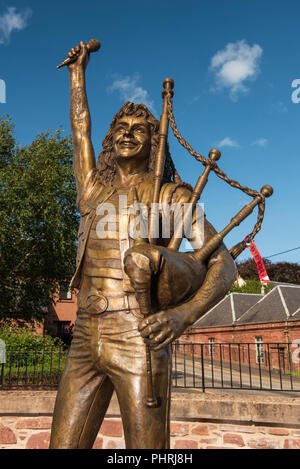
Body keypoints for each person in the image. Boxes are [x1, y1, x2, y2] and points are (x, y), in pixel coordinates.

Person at [49, 41, 236, 449]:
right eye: (120, 128)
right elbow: (80, 128)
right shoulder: (92, 189)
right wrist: (77, 75)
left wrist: (183, 316)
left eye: (139, 129)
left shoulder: (171, 197)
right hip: (84, 335)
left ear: (155, 142)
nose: (126, 134)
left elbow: (224, 266)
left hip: (138, 335)